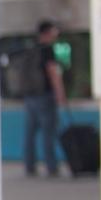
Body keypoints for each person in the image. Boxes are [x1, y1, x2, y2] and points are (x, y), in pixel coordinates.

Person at [23, 19, 66, 177]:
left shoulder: (31, 49)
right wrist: (60, 93)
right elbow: (53, 72)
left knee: (30, 132)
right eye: (54, 31)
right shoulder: (48, 50)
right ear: (47, 32)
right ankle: (51, 165)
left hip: (30, 96)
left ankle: (30, 165)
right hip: (45, 96)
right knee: (48, 132)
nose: (56, 34)